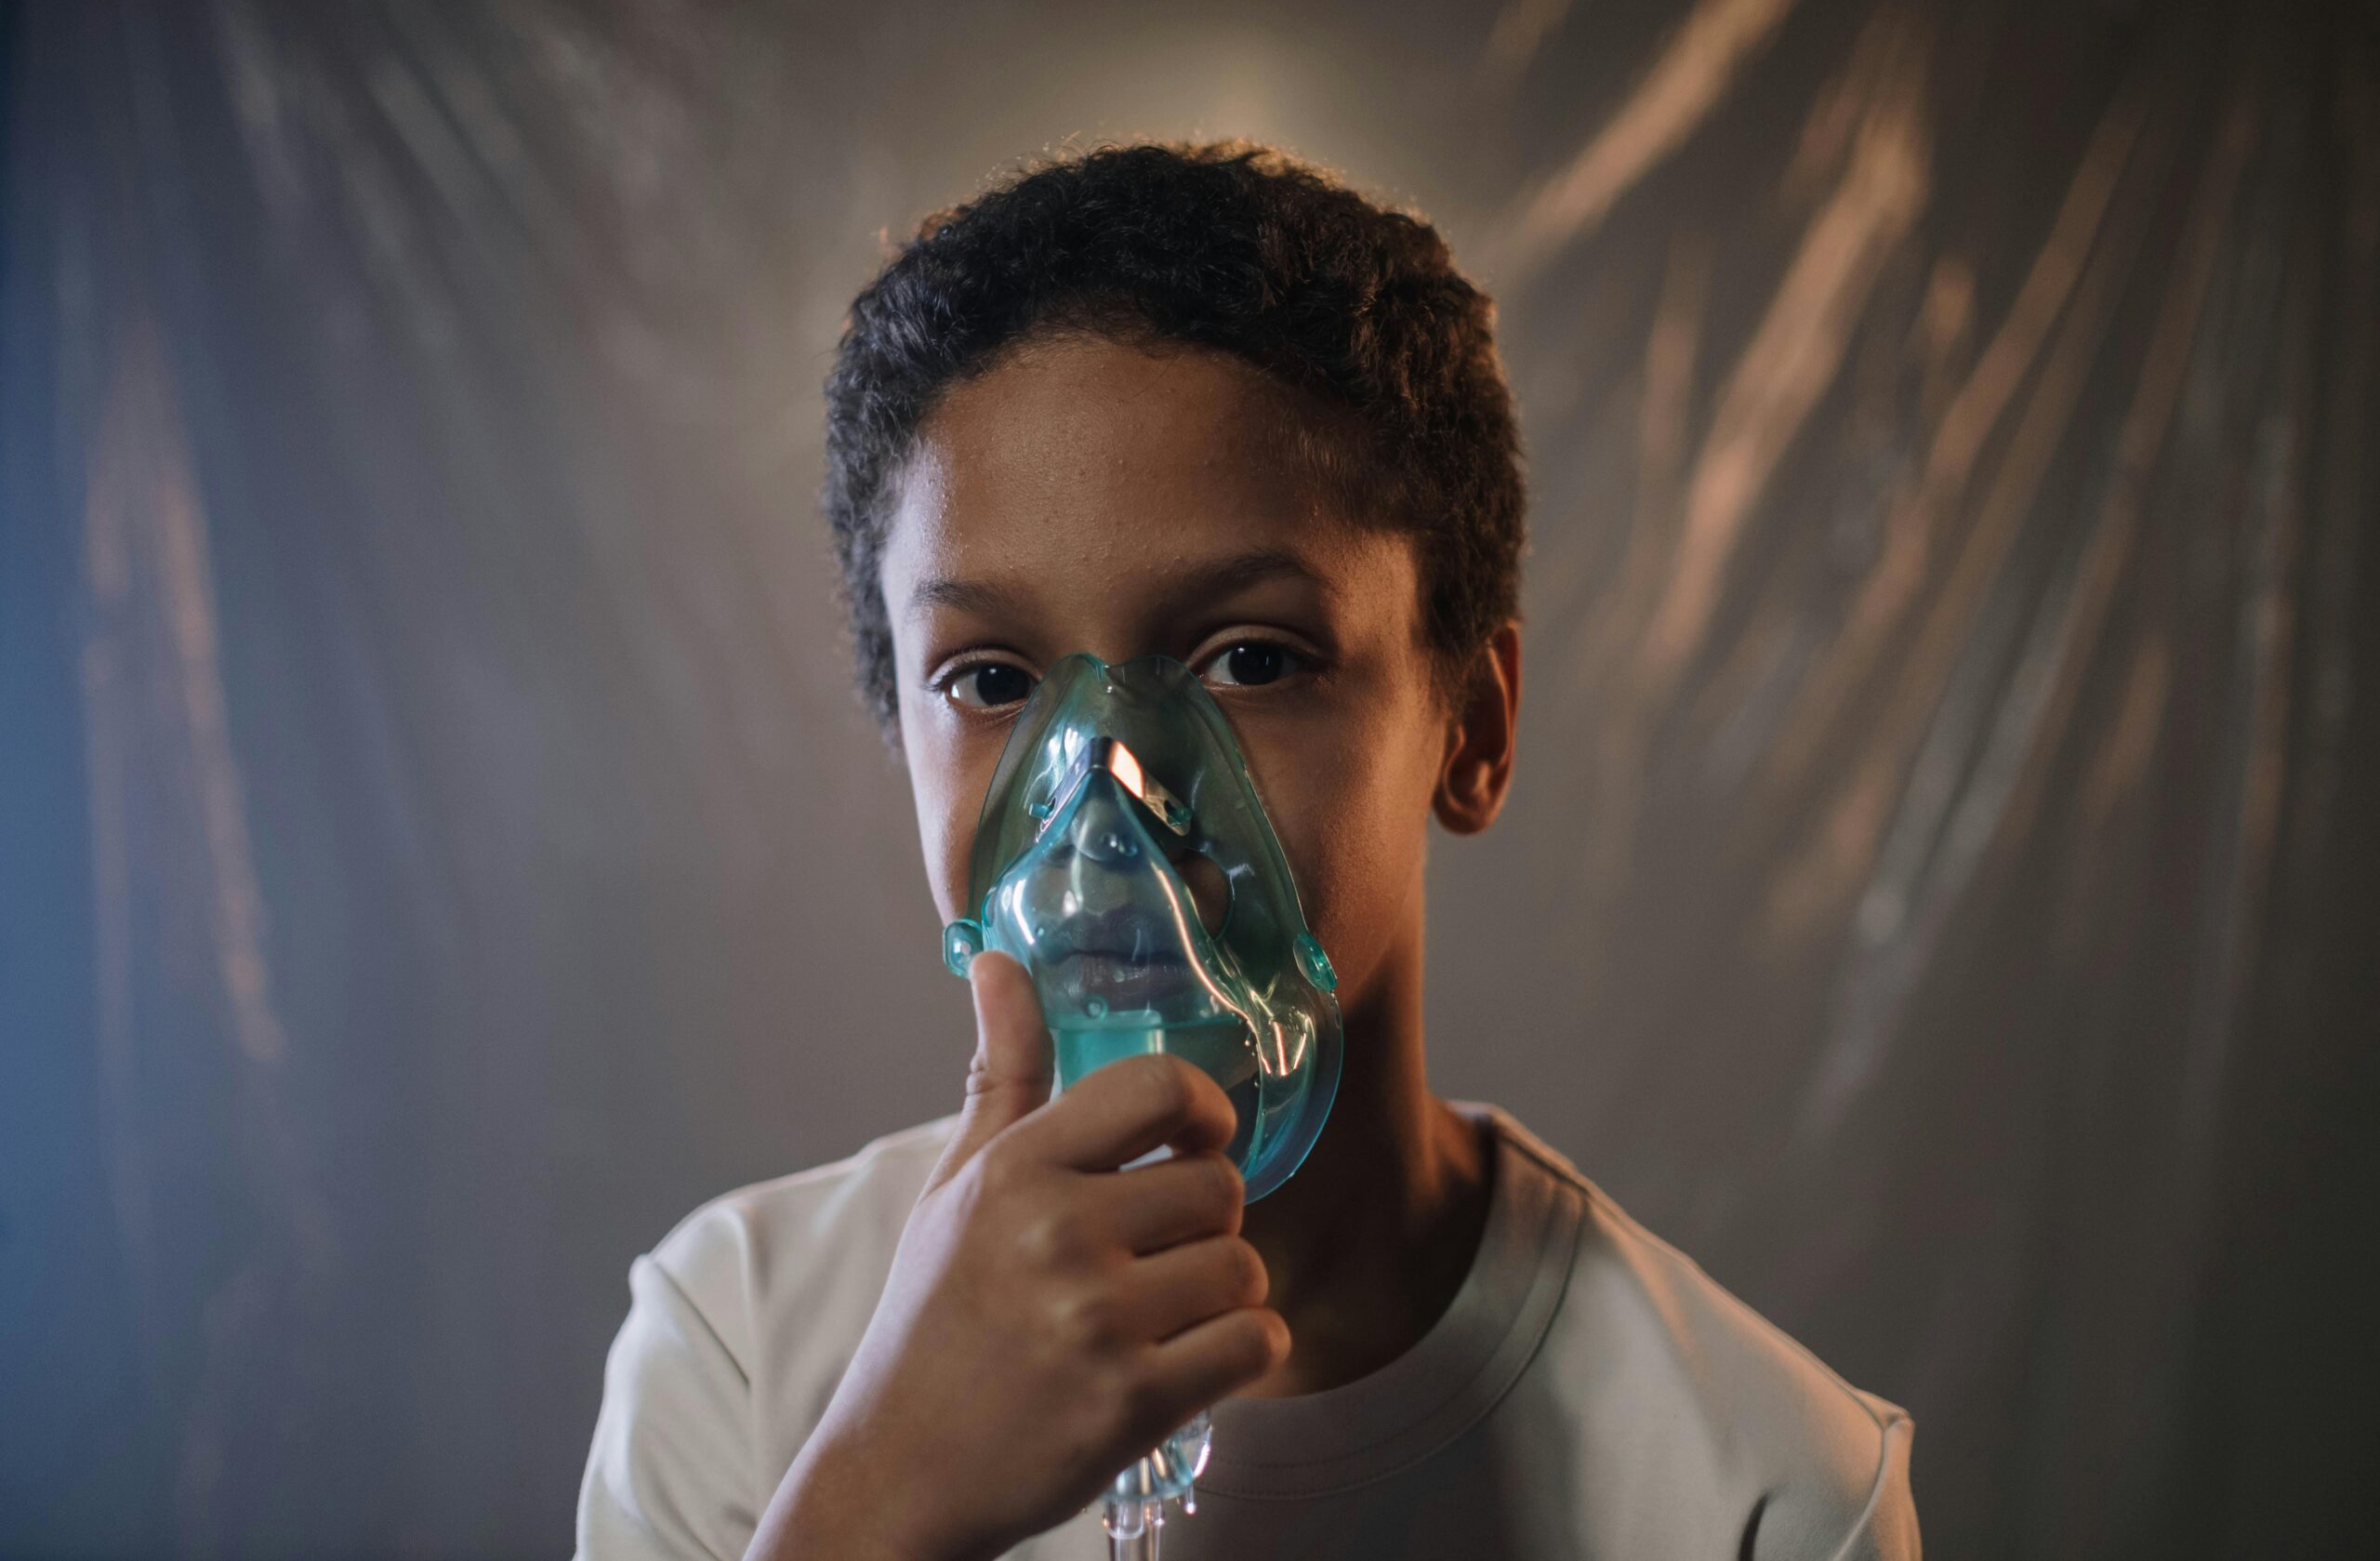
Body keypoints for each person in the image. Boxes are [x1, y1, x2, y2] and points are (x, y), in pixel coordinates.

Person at [574, 139, 1920, 1561]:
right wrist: (874, 1504)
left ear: (1473, 726)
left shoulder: (1761, 1501)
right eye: (989, 681)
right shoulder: (740, 1357)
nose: (1112, 795)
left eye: (1249, 658)